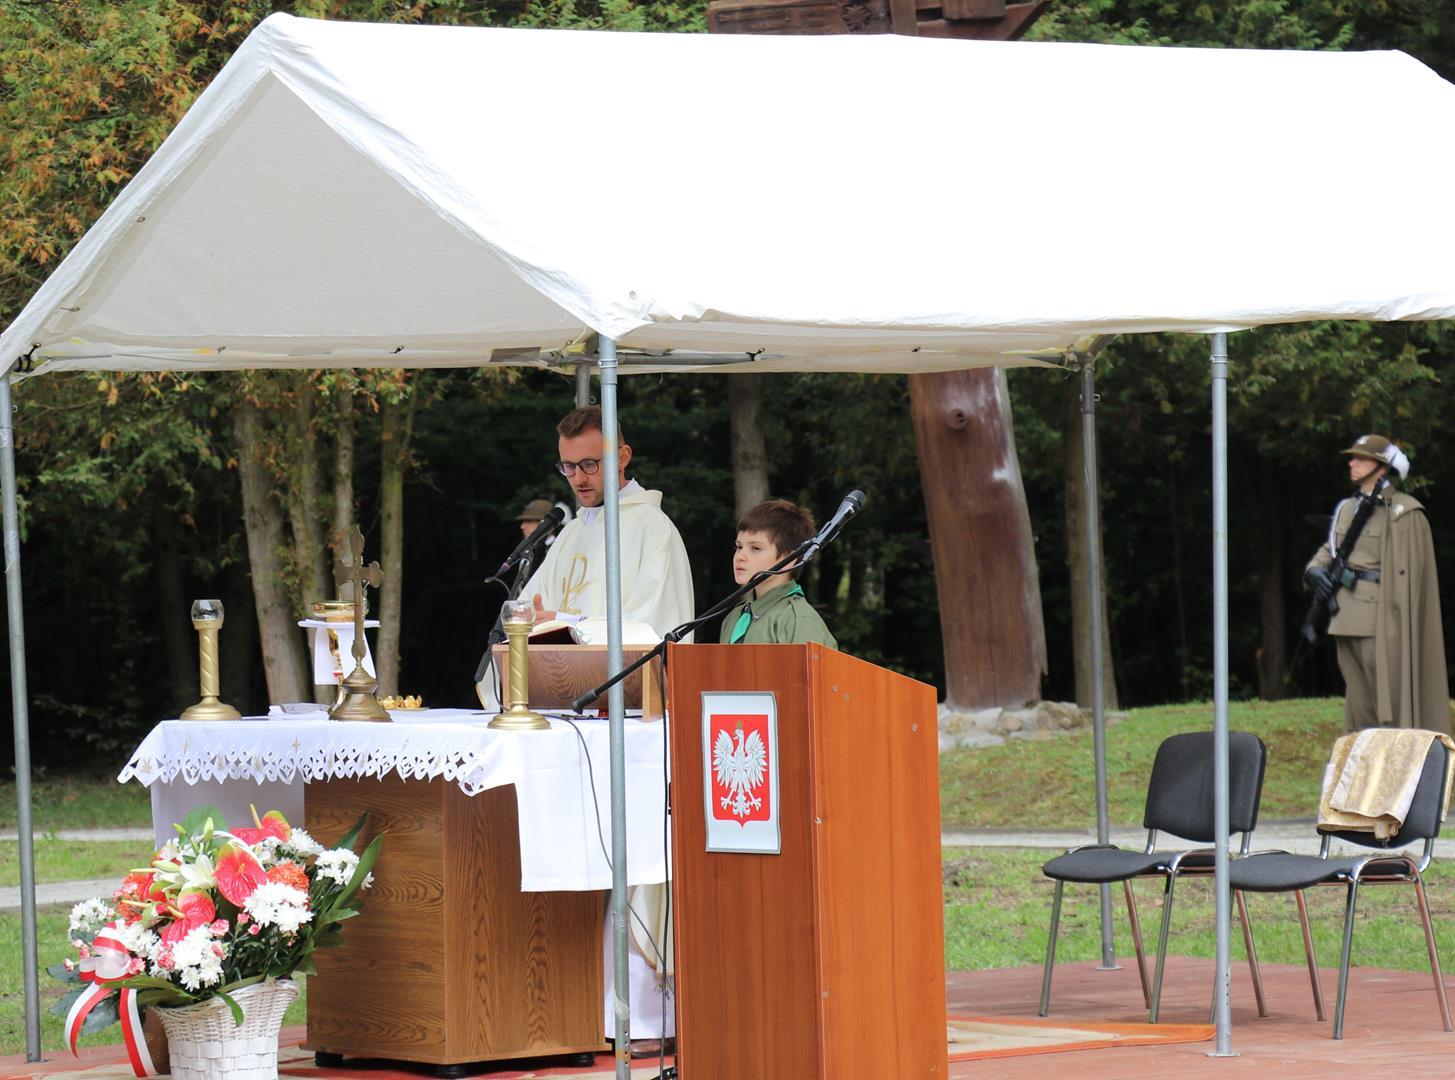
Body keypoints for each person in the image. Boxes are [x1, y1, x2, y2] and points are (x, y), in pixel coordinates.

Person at [1304, 434, 1449, 734]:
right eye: (1352, 457)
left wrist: (1396, 621)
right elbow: (1331, 549)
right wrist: (1314, 572)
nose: (1352, 463)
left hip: (1380, 621)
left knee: (1389, 703)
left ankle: (1394, 755)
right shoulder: (1347, 508)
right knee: (1360, 706)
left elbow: (1407, 577)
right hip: (1344, 616)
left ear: (1382, 467)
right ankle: (1363, 753)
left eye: (1361, 458)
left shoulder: (1403, 513)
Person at [522, 406, 694, 637]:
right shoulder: (571, 533)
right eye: (569, 466)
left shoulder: (653, 529)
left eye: (589, 464)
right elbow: (529, 613)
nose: (578, 479)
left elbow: (652, 630)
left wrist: (566, 622)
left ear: (622, 458)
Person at [719, 499, 837, 648]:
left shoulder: (798, 620)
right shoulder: (734, 617)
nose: (740, 556)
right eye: (739, 547)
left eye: (755, 548)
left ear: (789, 559)